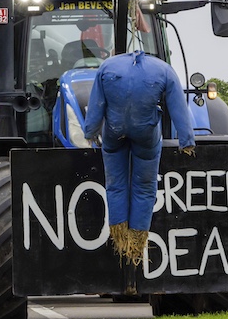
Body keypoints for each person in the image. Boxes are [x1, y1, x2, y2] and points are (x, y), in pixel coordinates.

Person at [82, 49, 195, 264]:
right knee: (144, 186)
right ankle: (136, 243)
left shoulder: (107, 67)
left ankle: (119, 237)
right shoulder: (164, 69)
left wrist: (90, 132)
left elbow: (97, 103)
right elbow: (178, 106)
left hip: (114, 132)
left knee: (115, 184)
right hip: (146, 133)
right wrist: (186, 141)